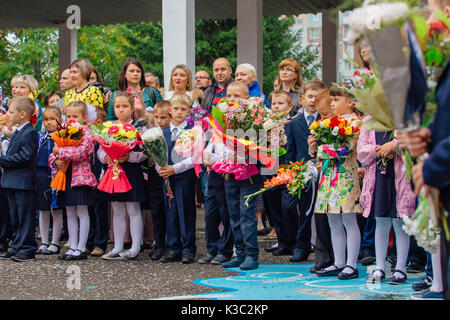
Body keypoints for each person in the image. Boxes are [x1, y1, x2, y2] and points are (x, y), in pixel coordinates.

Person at [313, 84, 363, 280]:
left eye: (336, 100)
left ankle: (352, 264)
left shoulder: (355, 123)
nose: (332, 104)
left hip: (346, 177)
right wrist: (317, 151)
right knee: (333, 220)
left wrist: (321, 150)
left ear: (350, 102)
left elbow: (347, 148)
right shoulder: (330, 122)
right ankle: (339, 262)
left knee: (349, 220)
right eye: (331, 100)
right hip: (329, 176)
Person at [358, 123, 416, 284]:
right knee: (381, 222)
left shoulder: (403, 118)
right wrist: (379, 150)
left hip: (401, 178)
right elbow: (361, 151)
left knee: (400, 223)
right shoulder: (369, 122)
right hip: (379, 179)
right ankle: (380, 267)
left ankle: (400, 268)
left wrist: (394, 146)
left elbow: (413, 143)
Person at [218, 81, 262, 271]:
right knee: (234, 213)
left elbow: (262, 143)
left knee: (246, 214)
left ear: (246, 99)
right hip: (230, 172)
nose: (232, 99)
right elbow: (218, 141)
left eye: (237, 96)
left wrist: (246, 150)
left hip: (249, 173)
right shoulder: (222, 117)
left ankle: (252, 255)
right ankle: (240, 253)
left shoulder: (255, 117)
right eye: (229, 96)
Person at [99, 92, 147, 261]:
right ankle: (117, 246)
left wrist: (130, 157)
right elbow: (101, 148)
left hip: (131, 171)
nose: (121, 110)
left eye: (125, 106)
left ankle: (135, 247)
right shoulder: (107, 127)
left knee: (133, 209)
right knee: (117, 209)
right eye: (117, 106)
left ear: (132, 107)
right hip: (113, 170)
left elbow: (144, 152)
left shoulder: (138, 127)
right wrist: (104, 157)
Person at [284, 79, 325, 263]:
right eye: (309, 97)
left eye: (317, 97)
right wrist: (290, 172)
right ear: (301, 99)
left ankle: (321, 247)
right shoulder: (294, 123)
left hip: (323, 171)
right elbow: (290, 150)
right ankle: (301, 245)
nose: (313, 101)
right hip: (301, 172)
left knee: (318, 212)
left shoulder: (326, 122)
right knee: (297, 208)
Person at [50, 101, 98, 261]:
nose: (71, 119)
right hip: (65, 175)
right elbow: (53, 153)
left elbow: (82, 152)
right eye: (68, 116)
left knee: (82, 211)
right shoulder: (63, 132)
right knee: (69, 211)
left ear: (84, 117)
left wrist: (61, 151)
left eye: (75, 116)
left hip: (80, 176)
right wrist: (56, 161)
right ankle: (73, 246)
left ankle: (82, 247)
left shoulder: (87, 133)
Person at [158, 93, 197, 264]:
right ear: (170, 110)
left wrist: (175, 168)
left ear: (189, 111)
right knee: (171, 211)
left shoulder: (192, 131)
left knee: (185, 211)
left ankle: (188, 248)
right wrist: (160, 168)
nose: (179, 112)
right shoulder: (164, 132)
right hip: (167, 178)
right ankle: (173, 247)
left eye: (183, 109)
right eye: (176, 109)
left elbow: (195, 157)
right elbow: (157, 155)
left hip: (184, 177)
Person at [0, 96, 38, 262]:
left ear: (22, 114)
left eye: (12, 111)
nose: (9, 114)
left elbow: (26, 156)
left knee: (25, 216)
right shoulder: (17, 131)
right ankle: (16, 245)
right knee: (14, 216)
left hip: (23, 181)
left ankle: (27, 247)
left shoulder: (30, 132)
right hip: (11, 180)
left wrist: (2, 160)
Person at [307, 88, 336, 273]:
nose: (322, 117)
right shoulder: (321, 123)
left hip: (339, 177)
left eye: (325, 113)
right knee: (320, 218)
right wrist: (313, 149)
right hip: (323, 174)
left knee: (336, 220)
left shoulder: (342, 125)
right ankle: (323, 258)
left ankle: (337, 258)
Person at [262, 90, 294, 256]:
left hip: (287, 169)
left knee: (287, 207)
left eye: (280, 103)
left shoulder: (291, 124)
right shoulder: (267, 124)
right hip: (270, 169)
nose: (276, 106)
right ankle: (282, 241)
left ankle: (292, 240)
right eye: (274, 103)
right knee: (273, 206)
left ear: (290, 106)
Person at [35, 107, 64, 255]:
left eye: (53, 119)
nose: (49, 123)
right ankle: (44, 241)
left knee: (56, 209)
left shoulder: (63, 137)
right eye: (46, 119)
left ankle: (55, 242)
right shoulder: (40, 136)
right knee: (43, 209)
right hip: (41, 173)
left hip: (56, 175)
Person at [147, 100, 171, 261]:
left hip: (170, 174)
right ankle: (159, 243)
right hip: (155, 177)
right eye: (157, 117)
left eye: (163, 117)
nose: (159, 121)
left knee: (169, 211)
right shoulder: (151, 133)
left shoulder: (173, 133)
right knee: (156, 211)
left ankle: (171, 243)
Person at [86, 106, 110, 257]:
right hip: (86, 176)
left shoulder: (104, 135)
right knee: (88, 210)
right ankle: (89, 241)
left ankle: (100, 242)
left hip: (99, 175)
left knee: (100, 209)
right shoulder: (84, 135)